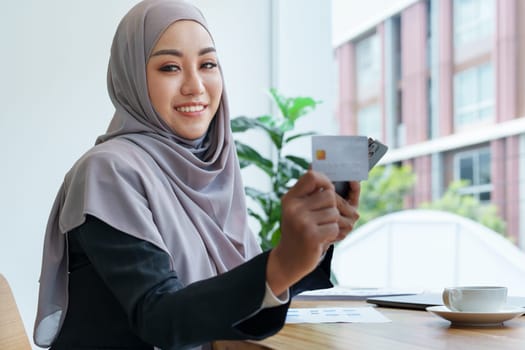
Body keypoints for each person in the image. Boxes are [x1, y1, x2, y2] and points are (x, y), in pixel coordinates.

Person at [33, 0, 361, 349]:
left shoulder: (212, 170)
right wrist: (281, 262)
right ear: (131, 76)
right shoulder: (108, 171)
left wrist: (313, 243)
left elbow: (233, 305)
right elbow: (160, 318)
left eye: (207, 64)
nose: (195, 85)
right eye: (170, 67)